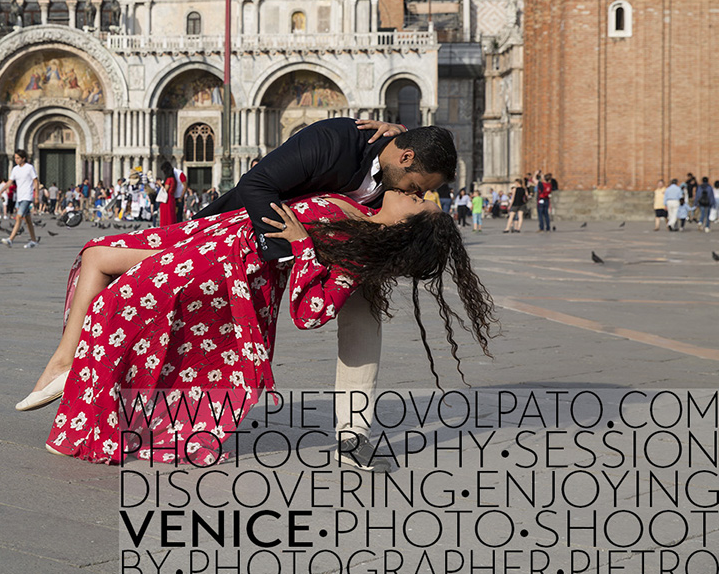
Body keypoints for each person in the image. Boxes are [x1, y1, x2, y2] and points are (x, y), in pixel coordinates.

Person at [33, 191, 496, 465]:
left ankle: (81, 406)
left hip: (226, 262)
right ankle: (67, 367)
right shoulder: (358, 205)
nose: (417, 193)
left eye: (419, 201)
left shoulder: (358, 253)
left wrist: (301, 247)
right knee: (97, 255)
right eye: (420, 193)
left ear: (406, 227)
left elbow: (311, 311)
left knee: (118, 305)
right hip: (216, 233)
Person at [190, 119, 456, 455]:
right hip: (256, 234)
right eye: (416, 186)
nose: (415, 194)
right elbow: (257, 183)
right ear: (405, 159)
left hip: (345, 246)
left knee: (366, 313)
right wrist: (296, 251)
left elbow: (422, 147)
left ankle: (354, 432)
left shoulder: (398, 173)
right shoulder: (335, 141)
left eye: (421, 194)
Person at [2, 149, 40, 248]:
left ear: (24, 158)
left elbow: (36, 181)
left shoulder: (29, 168)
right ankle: (34, 240)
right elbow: (10, 182)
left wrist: (36, 196)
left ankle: (10, 239)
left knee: (18, 217)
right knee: (28, 220)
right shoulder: (15, 169)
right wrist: (1, 191)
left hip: (27, 196)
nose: (16, 160)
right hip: (19, 197)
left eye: (18, 158)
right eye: (15, 158)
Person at [157, 161, 177, 226]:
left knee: (166, 216)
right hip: (171, 198)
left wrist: (160, 185)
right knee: (171, 215)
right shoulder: (174, 179)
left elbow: (165, 190)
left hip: (166, 200)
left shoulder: (169, 179)